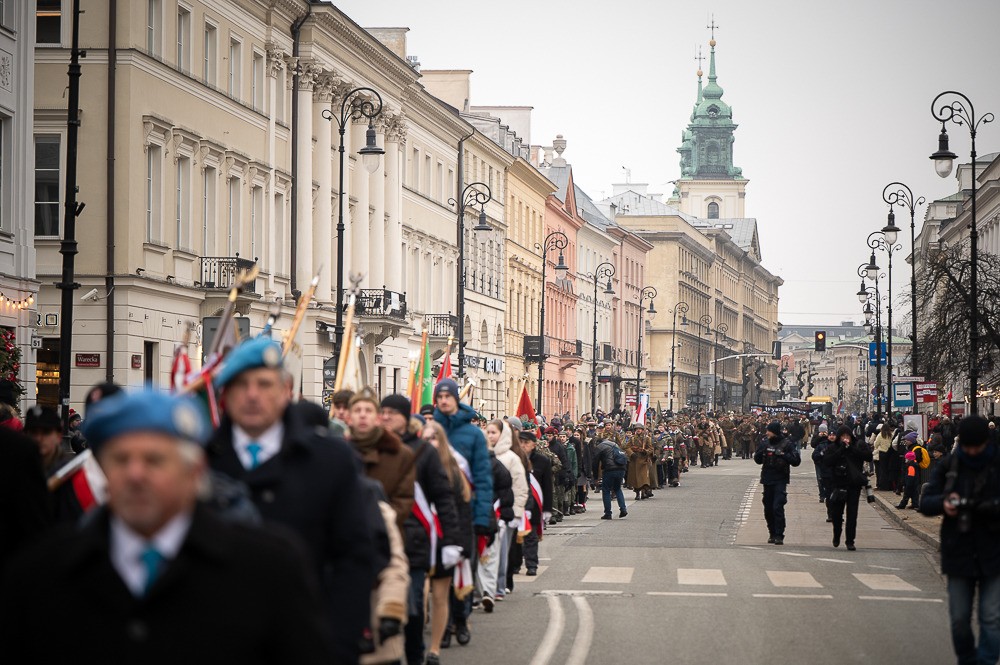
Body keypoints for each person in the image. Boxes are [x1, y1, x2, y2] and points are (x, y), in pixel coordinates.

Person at [1, 390, 334, 664]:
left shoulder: (268, 568)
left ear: (194, 472)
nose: (135, 475)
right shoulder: (42, 572)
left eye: (154, 460)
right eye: (120, 459)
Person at [206, 337, 376, 664]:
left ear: (286, 390)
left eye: (264, 384)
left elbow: (353, 559)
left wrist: (339, 646)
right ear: (225, 393)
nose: (252, 394)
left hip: (307, 642)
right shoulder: (198, 459)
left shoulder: (330, 460)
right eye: (241, 384)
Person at [379, 394, 459, 665]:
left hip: (413, 539)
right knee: (383, 610)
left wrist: (451, 540)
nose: (386, 417)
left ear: (405, 417)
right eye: (383, 412)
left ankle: (414, 654)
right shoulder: (373, 449)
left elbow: (443, 497)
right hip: (378, 540)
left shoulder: (424, 452)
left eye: (392, 412)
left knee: (412, 607)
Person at [921, 415, 1000, 665]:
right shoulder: (951, 465)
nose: (972, 452)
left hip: (993, 550)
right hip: (959, 550)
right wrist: (944, 503)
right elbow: (926, 501)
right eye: (968, 446)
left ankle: (986, 661)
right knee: (959, 618)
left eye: (977, 446)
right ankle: (967, 659)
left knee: (991, 617)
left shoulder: (996, 465)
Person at [421, 420, 470, 661]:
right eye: (425, 438)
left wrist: (462, 544)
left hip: (448, 536)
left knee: (448, 591)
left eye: (433, 438)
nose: (429, 443)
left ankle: (452, 628)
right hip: (422, 538)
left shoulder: (454, 470)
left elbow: (463, 511)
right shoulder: (415, 466)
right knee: (423, 594)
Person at [347, 387, 416, 529]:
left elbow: (404, 500)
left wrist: (379, 521)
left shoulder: (401, 454)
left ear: (378, 418)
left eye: (368, 410)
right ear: (349, 418)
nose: (362, 415)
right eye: (357, 410)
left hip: (384, 533)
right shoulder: (337, 452)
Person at [488, 419, 528, 603]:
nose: (490, 436)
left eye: (494, 433)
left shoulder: (511, 457)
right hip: (488, 510)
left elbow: (520, 487)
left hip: (506, 512)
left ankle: (500, 585)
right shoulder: (483, 454)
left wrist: (517, 512)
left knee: (502, 552)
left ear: (502, 435)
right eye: (488, 432)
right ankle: (486, 587)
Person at [823, 425, 872, 550]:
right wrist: (841, 449)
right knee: (836, 513)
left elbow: (868, 456)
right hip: (838, 484)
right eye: (843, 436)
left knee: (852, 514)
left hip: (853, 484)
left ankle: (850, 540)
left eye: (847, 436)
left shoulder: (857, 445)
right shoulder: (833, 447)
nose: (845, 438)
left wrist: (851, 449)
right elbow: (827, 461)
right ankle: (837, 533)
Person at [754, 421, 801, 545]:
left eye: (768, 431)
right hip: (767, 479)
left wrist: (783, 454)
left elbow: (796, 461)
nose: (767, 433)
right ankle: (772, 532)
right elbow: (757, 460)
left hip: (780, 479)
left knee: (777, 506)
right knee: (768, 508)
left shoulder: (786, 444)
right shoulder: (765, 443)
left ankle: (779, 534)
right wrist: (762, 452)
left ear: (774, 431)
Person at [594, 432, 629, 519]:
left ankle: (608, 513)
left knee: (606, 490)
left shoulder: (599, 447)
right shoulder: (614, 444)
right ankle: (623, 509)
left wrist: (595, 477)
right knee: (617, 488)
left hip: (609, 469)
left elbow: (595, 463)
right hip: (621, 468)